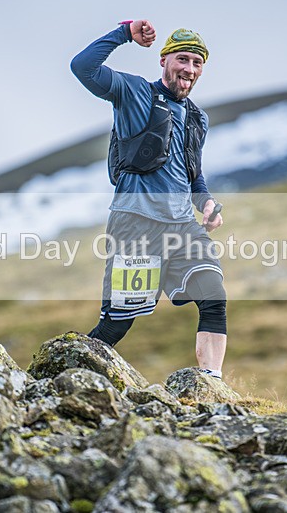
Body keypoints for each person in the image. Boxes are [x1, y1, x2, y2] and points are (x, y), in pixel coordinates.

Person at [71, 20, 227, 380]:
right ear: (164, 61)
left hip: (182, 227)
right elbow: (83, 67)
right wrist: (124, 32)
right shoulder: (133, 91)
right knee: (115, 325)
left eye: (197, 63)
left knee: (214, 297)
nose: (189, 69)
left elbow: (193, 177)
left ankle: (210, 388)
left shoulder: (198, 118)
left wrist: (205, 202)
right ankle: (62, 373)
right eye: (182, 59)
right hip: (135, 223)